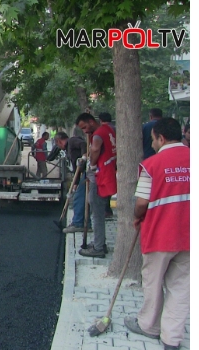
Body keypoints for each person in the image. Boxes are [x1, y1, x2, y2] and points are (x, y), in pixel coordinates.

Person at [124, 118, 189, 350]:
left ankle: (149, 325)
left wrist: (136, 217)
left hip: (161, 234)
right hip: (190, 237)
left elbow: (142, 203)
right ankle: (172, 339)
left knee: (153, 282)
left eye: (152, 139)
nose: (151, 144)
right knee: (181, 287)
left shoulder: (152, 165)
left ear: (161, 138)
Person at [75, 113, 117, 257]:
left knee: (96, 211)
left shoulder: (98, 134)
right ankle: (100, 242)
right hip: (108, 172)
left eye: (85, 127)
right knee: (97, 209)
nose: (85, 131)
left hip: (100, 175)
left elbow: (95, 149)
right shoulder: (109, 129)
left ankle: (98, 247)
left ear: (91, 122)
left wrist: (91, 164)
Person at [54, 132, 91, 233]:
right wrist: (75, 183)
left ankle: (79, 223)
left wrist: (84, 156)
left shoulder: (72, 141)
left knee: (79, 198)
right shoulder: (68, 148)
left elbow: (83, 144)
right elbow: (75, 167)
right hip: (82, 173)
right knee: (80, 197)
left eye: (57, 145)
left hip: (87, 171)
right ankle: (84, 222)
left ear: (59, 141)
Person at [98, 112, 115, 218]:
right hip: (115, 160)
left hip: (107, 162)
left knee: (105, 185)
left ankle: (106, 209)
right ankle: (107, 209)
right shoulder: (115, 129)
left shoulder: (102, 131)